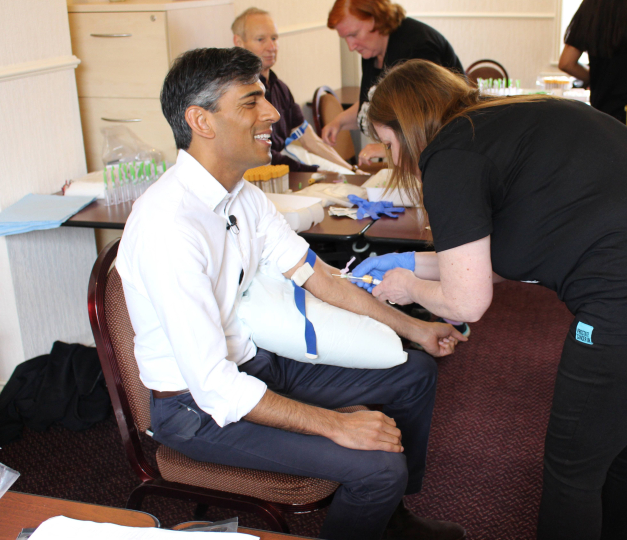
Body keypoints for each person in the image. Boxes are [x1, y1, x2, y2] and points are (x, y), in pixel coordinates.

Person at [351, 59, 627, 540]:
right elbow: (486, 262)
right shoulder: (509, 120)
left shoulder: (449, 156)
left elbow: (467, 302)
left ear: (410, 126)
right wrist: (412, 266)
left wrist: (405, 288)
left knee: (572, 470)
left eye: (390, 144)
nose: (394, 161)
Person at [117, 48, 467, 540]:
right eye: (250, 102)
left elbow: (319, 278)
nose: (273, 113)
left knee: (414, 374)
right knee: (378, 468)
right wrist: (335, 425)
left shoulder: (243, 196)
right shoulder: (169, 227)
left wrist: (416, 327)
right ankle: (377, 497)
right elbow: (215, 386)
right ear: (201, 121)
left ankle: (387, 517)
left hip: (254, 364)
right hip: (197, 409)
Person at [323, 0, 463, 168]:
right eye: (345, 38)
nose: (351, 46)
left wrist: (387, 148)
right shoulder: (372, 51)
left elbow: (426, 122)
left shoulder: (417, 47)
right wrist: (339, 122)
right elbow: (370, 104)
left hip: (448, 156)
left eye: (353, 34)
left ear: (376, 19)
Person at [232, 8, 358, 174]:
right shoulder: (238, 93)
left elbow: (310, 139)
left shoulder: (280, 88)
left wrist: (351, 169)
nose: (271, 47)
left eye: (274, 38)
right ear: (239, 42)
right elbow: (263, 156)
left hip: (288, 169)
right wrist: (316, 172)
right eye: (261, 39)